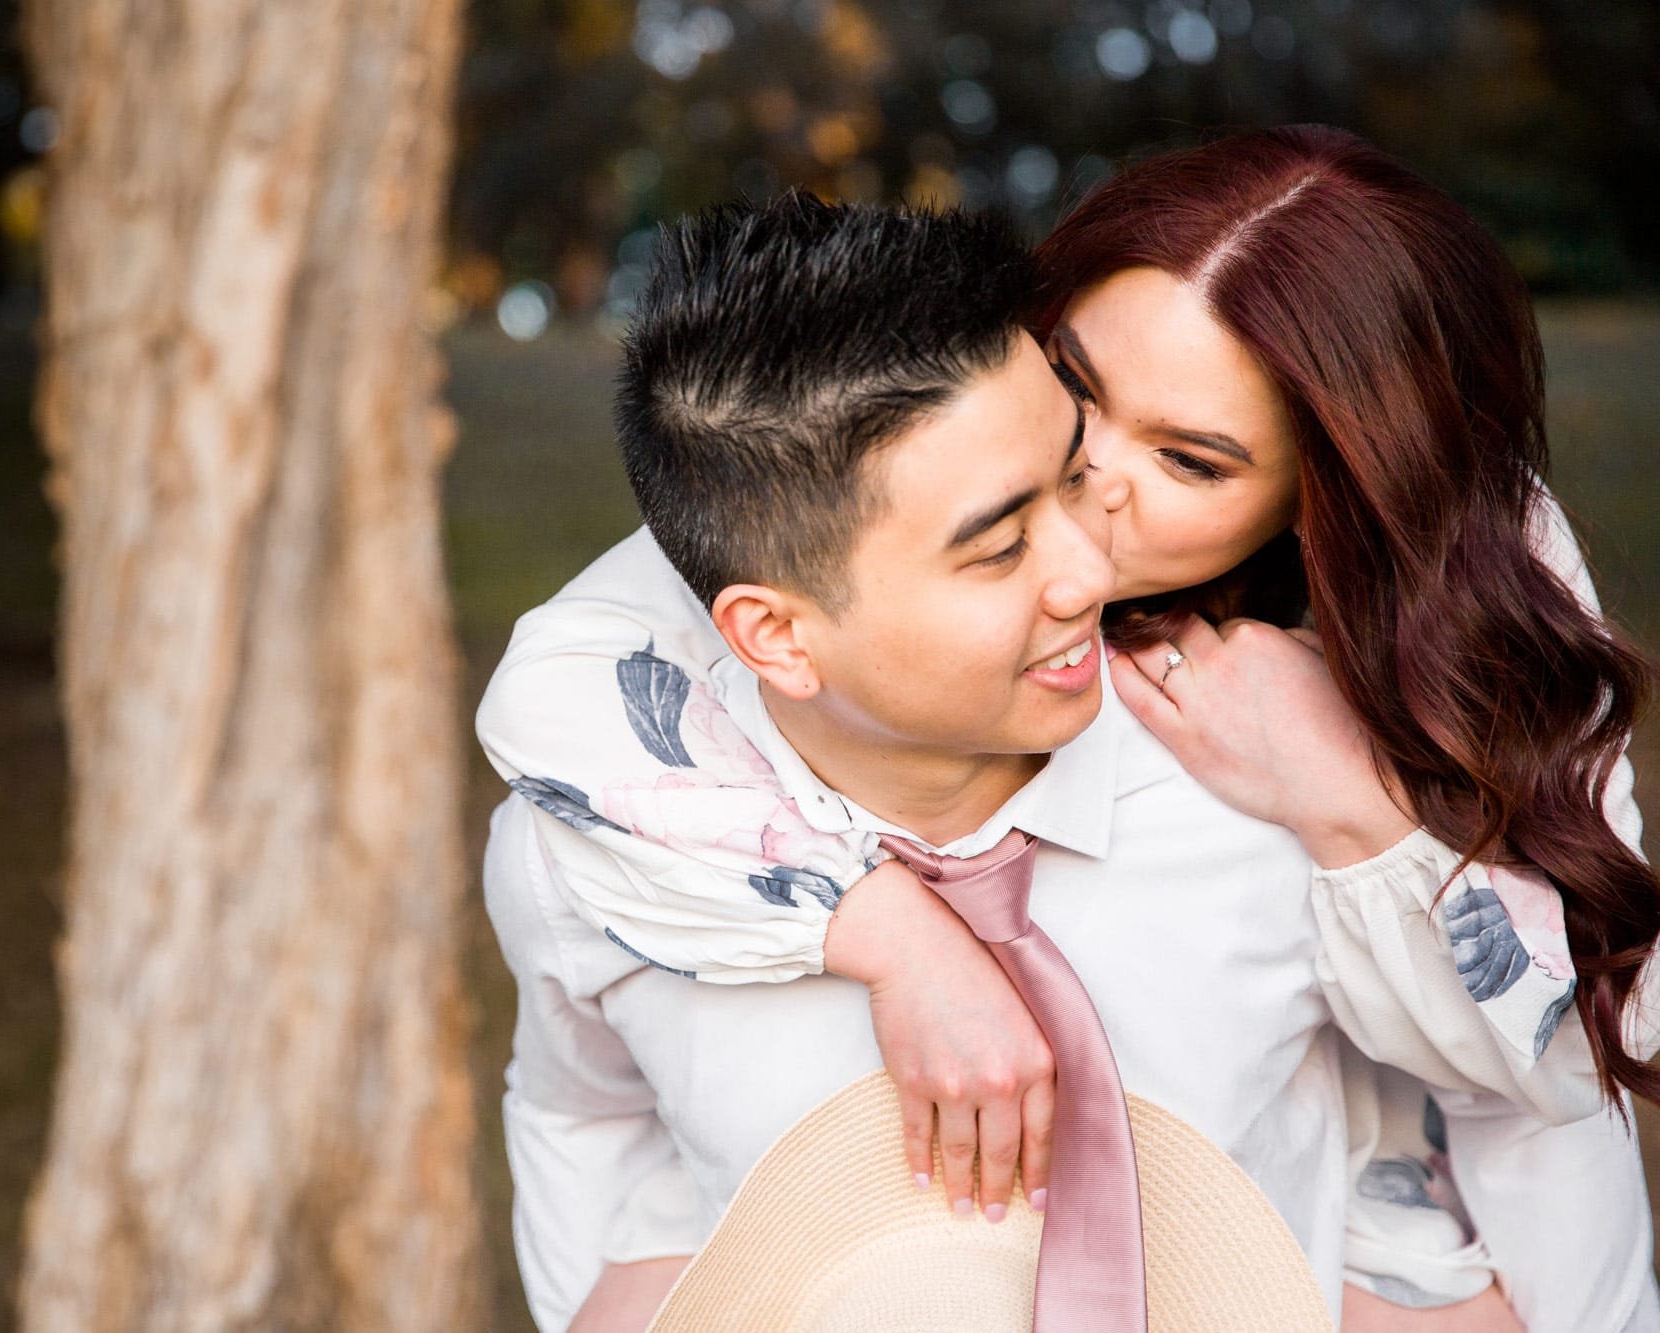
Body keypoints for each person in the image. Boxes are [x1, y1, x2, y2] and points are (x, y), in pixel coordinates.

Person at [479, 130, 1659, 1333]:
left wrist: (1347, 805)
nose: (1086, 486)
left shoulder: (1461, 625)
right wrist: (884, 927)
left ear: (1329, 506)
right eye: (1077, 387)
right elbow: (557, 686)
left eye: (1189, 460)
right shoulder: (919, 474)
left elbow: (1556, 1067)